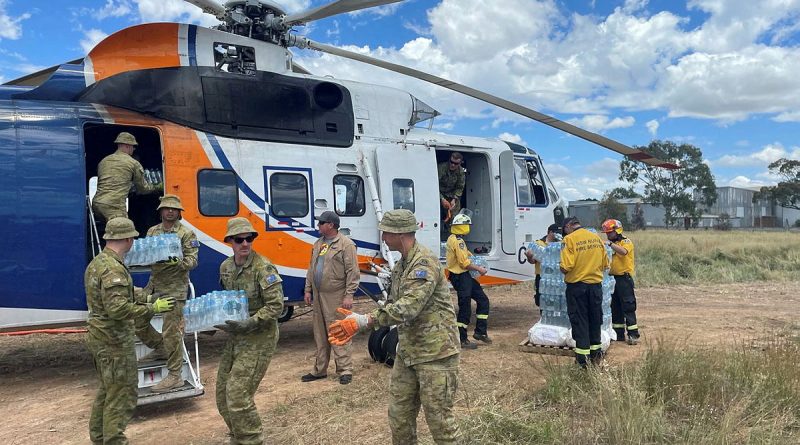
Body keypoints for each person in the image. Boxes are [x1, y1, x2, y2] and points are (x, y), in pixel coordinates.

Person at [328, 209, 462, 444]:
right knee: (399, 417)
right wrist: (361, 317)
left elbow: (409, 307)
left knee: (441, 423)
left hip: (436, 354)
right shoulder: (402, 266)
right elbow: (393, 304)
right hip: (409, 353)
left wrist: (364, 321)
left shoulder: (424, 263)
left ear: (399, 233)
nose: (383, 238)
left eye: (385, 233)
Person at [84, 217, 175, 444]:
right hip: (113, 341)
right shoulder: (112, 269)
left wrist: (148, 296)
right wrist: (151, 308)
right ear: (127, 239)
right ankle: (114, 440)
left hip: (101, 338)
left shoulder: (98, 263)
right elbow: (117, 309)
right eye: (133, 238)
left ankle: (99, 437)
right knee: (122, 393)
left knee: (108, 390)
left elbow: (122, 295)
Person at [214, 217, 284, 445]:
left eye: (249, 239)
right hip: (237, 336)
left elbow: (276, 306)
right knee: (222, 396)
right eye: (239, 240)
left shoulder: (263, 268)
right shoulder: (226, 267)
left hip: (259, 336)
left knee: (238, 395)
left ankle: (252, 440)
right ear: (229, 242)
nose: (245, 244)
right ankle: (238, 437)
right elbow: (226, 299)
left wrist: (251, 322)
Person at [135, 194, 200, 392]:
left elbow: (193, 261)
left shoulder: (186, 234)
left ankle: (175, 376)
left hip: (175, 289)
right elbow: (145, 255)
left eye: (174, 208)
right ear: (161, 211)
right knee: (137, 319)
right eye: (166, 208)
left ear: (179, 212)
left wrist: (179, 262)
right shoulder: (152, 231)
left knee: (171, 331)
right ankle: (161, 348)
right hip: (154, 286)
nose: (170, 211)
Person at [301, 211, 360, 385]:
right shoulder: (318, 244)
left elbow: (353, 272)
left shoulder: (346, 244)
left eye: (321, 223)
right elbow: (311, 269)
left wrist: (349, 294)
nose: (318, 226)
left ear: (331, 225)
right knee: (320, 333)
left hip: (336, 295)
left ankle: (345, 369)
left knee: (338, 331)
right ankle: (319, 370)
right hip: (319, 295)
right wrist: (308, 290)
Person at [560, 216, 609, 367]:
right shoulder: (596, 238)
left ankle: (582, 362)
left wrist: (560, 266)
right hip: (595, 287)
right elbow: (605, 264)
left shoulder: (569, 240)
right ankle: (596, 356)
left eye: (564, 230)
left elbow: (566, 266)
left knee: (580, 322)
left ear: (568, 226)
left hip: (577, 288)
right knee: (595, 320)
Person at [91, 132, 161, 222]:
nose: (134, 149)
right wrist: (156, 187)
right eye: (133, 147)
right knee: (125, 232)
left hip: (97, 205)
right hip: (113, 207)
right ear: (127, 146)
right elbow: (142, 189)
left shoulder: (103, 161)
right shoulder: (133, 163)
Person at [445, 212, 490, 349]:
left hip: (464, 276)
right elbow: (464, 263)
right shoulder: (458, 241)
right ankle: (462, 339)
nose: (468, 228)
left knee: (483, 300)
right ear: (462, 226)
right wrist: (480, 269)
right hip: (460, 276)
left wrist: (476, 252)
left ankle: (480, 332)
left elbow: (466, 255)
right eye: (467, 225)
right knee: (465, 307)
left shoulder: (454, 238)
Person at [601, 219, 640, 345]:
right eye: (606, 233)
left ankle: (633, 334)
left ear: (617, 231)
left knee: (628, 306)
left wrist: (610, 245)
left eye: (610, 233)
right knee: (615, 307)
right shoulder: (608, 245)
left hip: (624, 279)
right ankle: (618, 335)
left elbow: (623, 252)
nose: (608, 235)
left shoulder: (626, 242)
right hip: (611, 279)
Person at [525, 223, 560, 311]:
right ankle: (543, 316)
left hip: (556, 277)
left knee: (557, 300)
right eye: (556, 233)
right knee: (541, 300)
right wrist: (529, 256)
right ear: (550, 232)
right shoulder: (538, 244)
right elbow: (532, 261)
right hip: (542, 277)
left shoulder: (560, 244)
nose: (559, 235)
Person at [437, 152, 465, 220]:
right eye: (451, 162)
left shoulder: (461, 172)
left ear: (460, 163)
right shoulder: (441, 168)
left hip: (451, 195)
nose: (452, 165)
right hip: (438, 193)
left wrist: (454, 199)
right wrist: (442, 199)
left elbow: (460, 187)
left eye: (456, 163)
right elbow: (433, 184)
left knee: (454, 216)